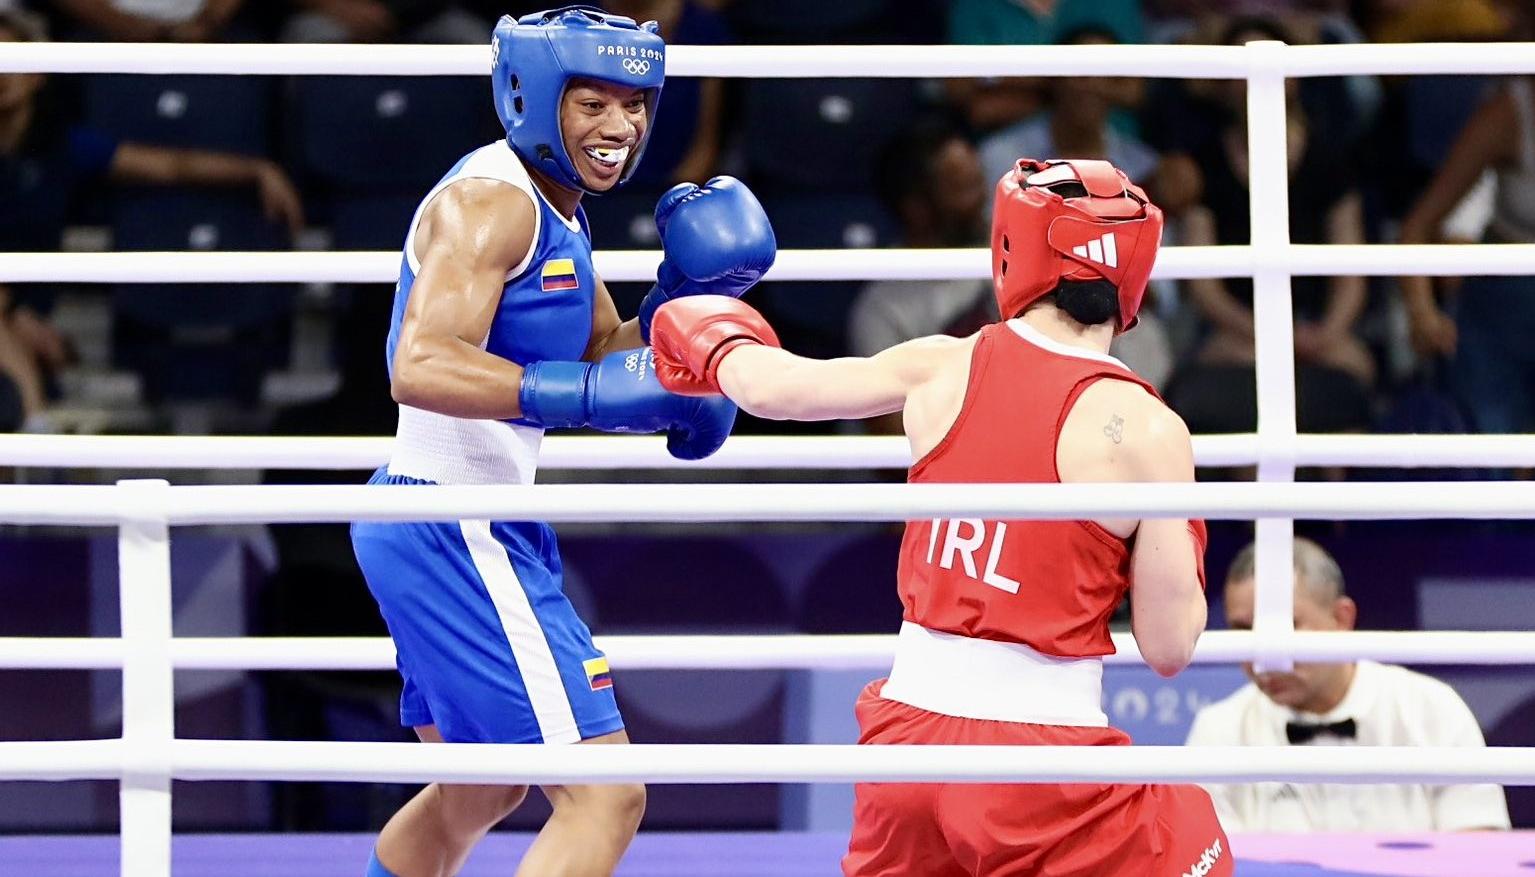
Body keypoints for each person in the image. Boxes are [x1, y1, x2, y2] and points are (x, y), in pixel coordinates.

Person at [650, 158, 1231, 876]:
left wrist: (699, 322)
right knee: (1190, 840)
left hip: (905, 744)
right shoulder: (1146, 429)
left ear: (1014, 249)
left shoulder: (939, 365)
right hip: (1040, 762)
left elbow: (777, 390)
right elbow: (1169, 645)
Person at [348, 7, 775, 877]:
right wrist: (573, 395)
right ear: (532, 99)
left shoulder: (558, 210)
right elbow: (419, 362)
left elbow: (600, 350)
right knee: (606, 793)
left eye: (637, 105)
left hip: (459, 518)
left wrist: (678, 296)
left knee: (479, 788)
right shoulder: (489, 206)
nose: (621, 128)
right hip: (453, 518)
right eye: (594, 105)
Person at [1185, 538, 1512, 832]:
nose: (1264, 658)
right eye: (1243, 631)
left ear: (1341, 619)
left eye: (1286, 626)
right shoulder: (1218, 731)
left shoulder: (1432, 709)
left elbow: (1479, 848)